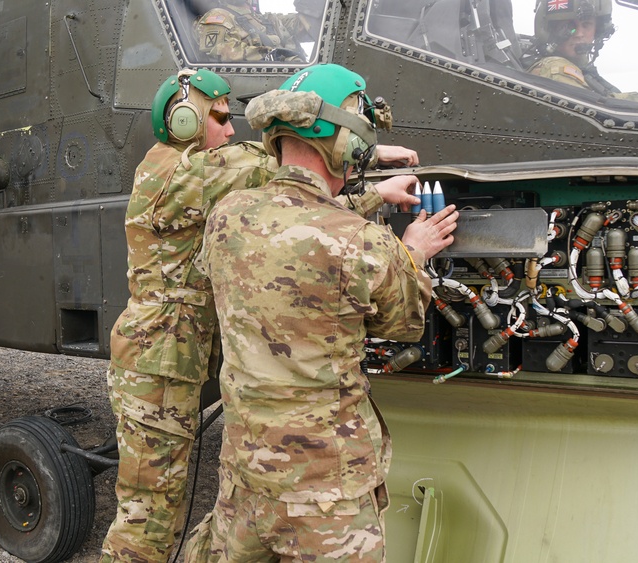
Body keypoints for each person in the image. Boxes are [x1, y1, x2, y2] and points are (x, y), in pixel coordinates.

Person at [101, 66, 426, 563]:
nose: (230, 130)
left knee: (176, 514)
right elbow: (277, 177)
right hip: (158, 364)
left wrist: (370, 190)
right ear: (183, 121)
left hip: (175, 357)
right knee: (149, 516)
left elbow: (290, 216)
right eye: (219, 118)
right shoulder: (173, 171)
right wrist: (357, 145)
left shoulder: (223, 206)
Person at [185, 64, 459, 561]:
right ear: (349, 145)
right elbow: (402, 324)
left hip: (245, 476)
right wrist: (412, 254)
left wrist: (371, 198)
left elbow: (293, 229)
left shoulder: (227, 216)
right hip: (326, 495)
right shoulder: (366, 243)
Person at [528, 0, 638, 101]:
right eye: (568, 27)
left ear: (598, 30)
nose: (579, 34)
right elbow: (592, 111)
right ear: (551, 31)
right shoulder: (555, 67)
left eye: (586, 25)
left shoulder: (584, 70)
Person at [194, 0, 324, 62]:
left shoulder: (267, 19)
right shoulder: (219, 16)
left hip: (297, 74)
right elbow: (221, 50)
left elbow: (308, 24)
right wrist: (268, 54)